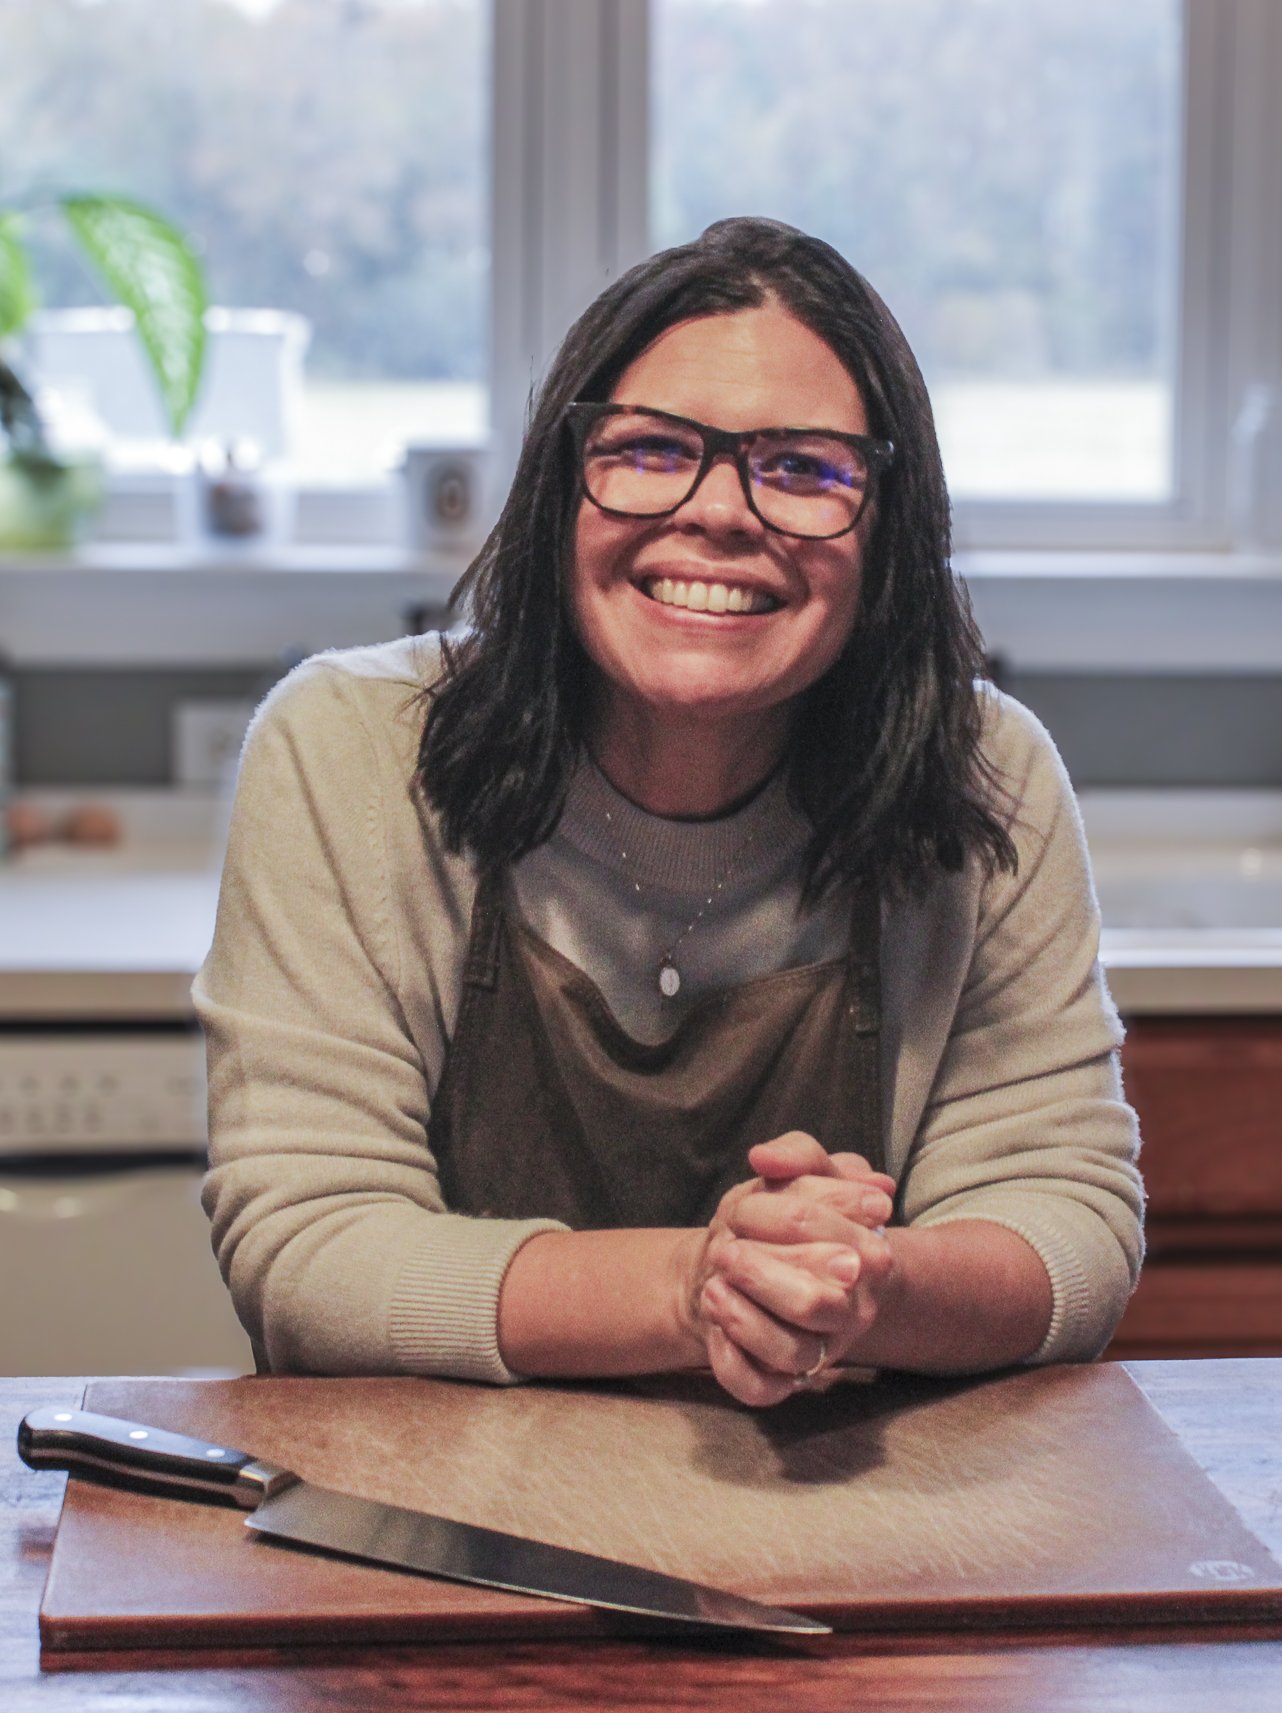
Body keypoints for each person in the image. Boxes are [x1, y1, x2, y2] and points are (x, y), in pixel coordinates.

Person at [196, 217, 1142, 1408]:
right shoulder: (348, 752)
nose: (722, 511)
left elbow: (1071, 1227)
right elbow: (307, 1252)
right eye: (650, 451)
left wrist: (869, 1284)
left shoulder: (987, 778)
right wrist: (700, 1286)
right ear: (559, 490)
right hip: (437, 1539)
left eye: (803, 468)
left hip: (851, 1529)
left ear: (889, 528)